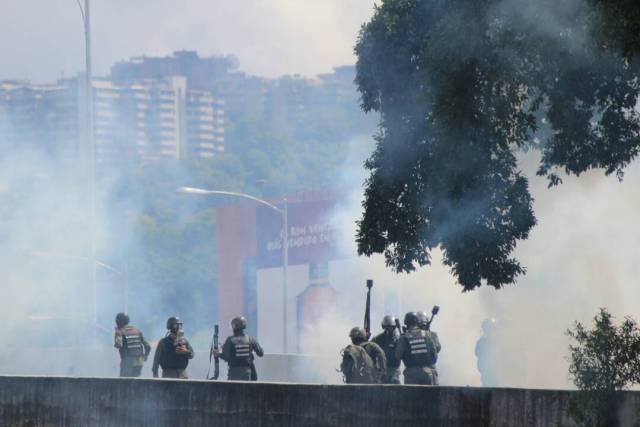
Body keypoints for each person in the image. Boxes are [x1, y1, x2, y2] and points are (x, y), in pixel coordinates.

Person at [396, 312, 441, 385]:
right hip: (427, 372)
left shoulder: (404, 337)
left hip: (411, 374)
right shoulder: (427, 334)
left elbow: (398, 356)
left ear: (406, 323)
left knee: (412, 396)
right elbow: (434, 354)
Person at [214, 316, 264, 381]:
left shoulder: (230, 340)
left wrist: (218, 354)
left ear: (234, 326)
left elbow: (226, 357)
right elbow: (260, 353)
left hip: (234, 373)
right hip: (248, 373)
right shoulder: (250, 339)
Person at [113, 312, 151, 377]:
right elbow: (148, 346)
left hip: (128, 361)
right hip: (139, 361)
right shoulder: (137, 330)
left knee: (125, 383)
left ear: (119, 322)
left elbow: (118, 345)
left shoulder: (120, 331)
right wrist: (145, 356)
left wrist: (117, 333)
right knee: (136, 382)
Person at [372, 315, 401, 384]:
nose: (388, 330)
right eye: (386, 327)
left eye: (390, 328)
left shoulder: (399, 339)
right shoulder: (378, 338)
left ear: (394, 327)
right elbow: (370, 348)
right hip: (381, 370)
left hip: (394, 370)